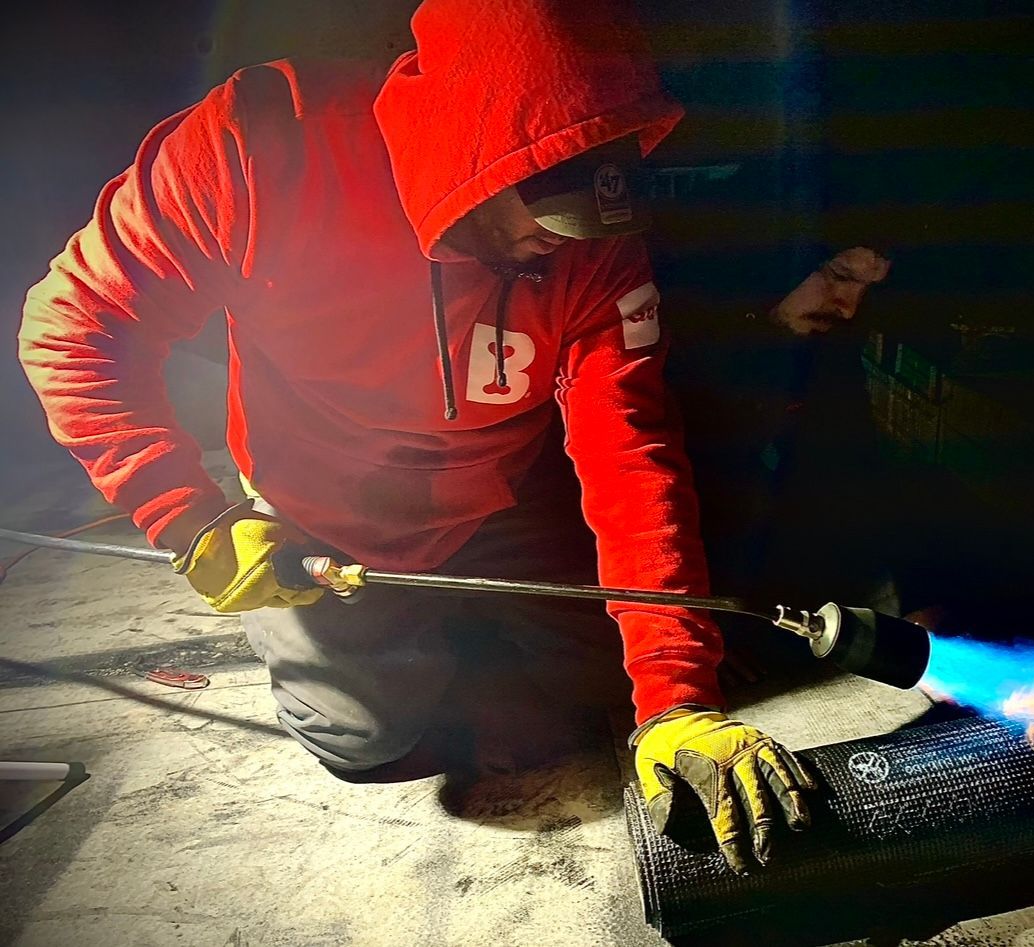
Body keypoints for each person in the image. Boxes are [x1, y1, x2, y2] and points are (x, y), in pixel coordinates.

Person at [17, 0, 811, 874]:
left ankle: (483, 630)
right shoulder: (258, 146)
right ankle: (418, 647)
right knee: (364, 739)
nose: (558, 247)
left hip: (499, 494)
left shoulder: (592, 240)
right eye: (540, 207)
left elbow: (633, 457)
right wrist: (186, 513)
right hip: (325, 517)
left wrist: (675, 696)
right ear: (470, 155)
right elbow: (72, 326)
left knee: (606, 696)